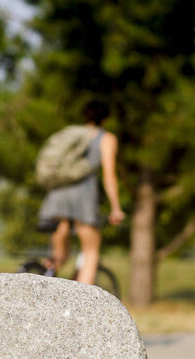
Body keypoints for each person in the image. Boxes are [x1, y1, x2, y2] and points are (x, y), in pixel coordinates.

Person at [37, 100, 126, 285]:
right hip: (83, 198)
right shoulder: (106, 138)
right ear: (106, 119)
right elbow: (109, 175)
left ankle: (42, 283)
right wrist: (116, 208)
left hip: (57, 195)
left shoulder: (73, 134)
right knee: (91, 252)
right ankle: (83, 307)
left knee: (59, 254)